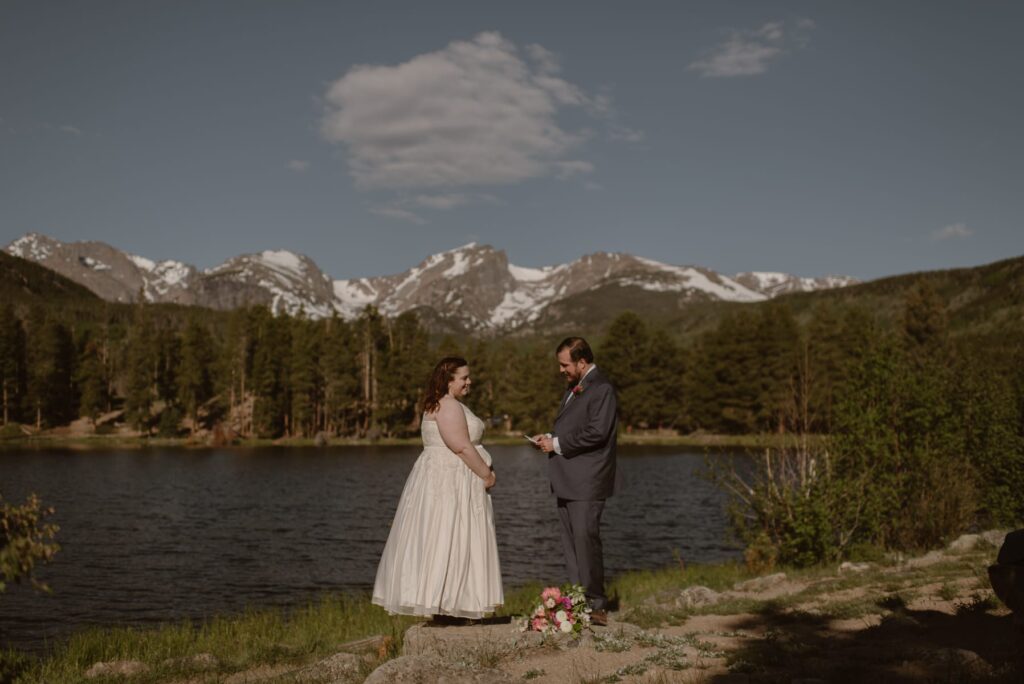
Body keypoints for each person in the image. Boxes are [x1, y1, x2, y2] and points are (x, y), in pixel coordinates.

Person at [372, 357, 503, 621]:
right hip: (450, 482)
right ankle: (447, 605)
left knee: (447, 537)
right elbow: (461, 446)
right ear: (448, 379)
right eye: (463, 377)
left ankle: (450, 603)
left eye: (468, 376)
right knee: (450, 535)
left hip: (447, 480)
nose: (469, 381)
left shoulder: (444, 404)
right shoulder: (448, 406)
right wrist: (486, 474)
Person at [531, 337, 618, 627]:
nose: (561, 370)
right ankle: (578, 602)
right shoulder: (574, 387)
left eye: (565, 364)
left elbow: (597, 433)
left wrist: (556, 444)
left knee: (586, 542)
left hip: (587, 481)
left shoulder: (602, 388)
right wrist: (549, 438)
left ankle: (597, 605)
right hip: (568, 480)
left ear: (582, 362)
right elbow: (574, 427)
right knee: (571, 546)